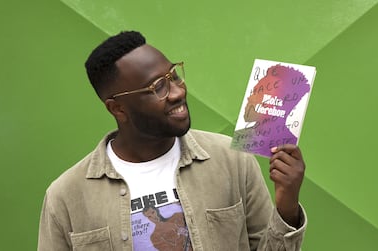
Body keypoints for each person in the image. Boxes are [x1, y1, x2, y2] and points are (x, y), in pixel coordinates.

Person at [38, 31, 307, 251]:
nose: (178, 92)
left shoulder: (232, 160)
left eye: (173, 76)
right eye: (158, 87)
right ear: (117, 109)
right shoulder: (66, 197)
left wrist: (287, 203)